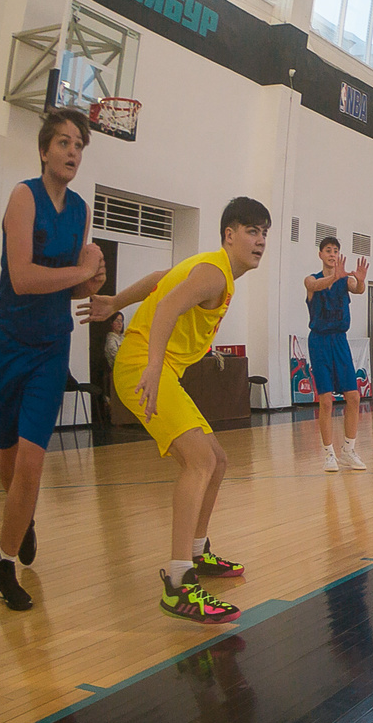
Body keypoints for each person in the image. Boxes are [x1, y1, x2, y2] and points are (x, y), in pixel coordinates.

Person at [87, 197, 271, 624]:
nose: (260, 240)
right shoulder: (214, 273)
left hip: (159, 368)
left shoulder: (212, 269)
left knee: (218, 460)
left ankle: (196, 552)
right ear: (229, 235)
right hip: (143, 367)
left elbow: (159, 280)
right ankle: (178, 584)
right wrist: (153, 364)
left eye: (264, 233)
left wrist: (114, 302)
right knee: (200, 461)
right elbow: (168, 305)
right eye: (252, 231)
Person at [0, 108, 106, 605]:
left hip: (53, 346)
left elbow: (74, 287)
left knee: (33, 462)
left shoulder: (80, 209)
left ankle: (4, 561)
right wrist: (80, 273)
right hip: (11, 342)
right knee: (8, 460)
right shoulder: (23, 196)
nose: (72, 151)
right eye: (63, 142)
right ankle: (25, 516)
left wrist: (92, 282)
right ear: (43, 150)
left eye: (79, 145)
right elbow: (23, 278)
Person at [304, 237, 368, 473]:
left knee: (354, 397)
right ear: (320, 254)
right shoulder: (311, 279)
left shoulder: (345, 281)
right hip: (319, 342)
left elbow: (358, 289)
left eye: (335, 251)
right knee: (326, 400)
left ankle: (348, 451)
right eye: (328, 250)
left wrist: (361, 280)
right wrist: (333, 277)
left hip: (340, 340)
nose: (332, 254)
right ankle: (329, 454)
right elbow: (314, 286)